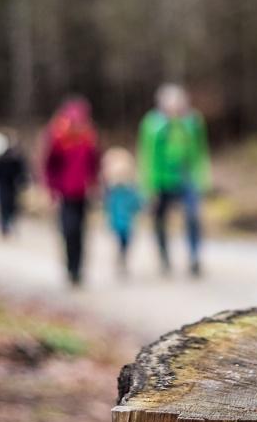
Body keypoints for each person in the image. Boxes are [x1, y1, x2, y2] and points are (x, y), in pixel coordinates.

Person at [138, 83, 211, 277]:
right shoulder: (152, 123)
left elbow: (200, 151)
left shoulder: (192, 121)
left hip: (186, 176)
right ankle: (164, 258)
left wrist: (202, 178)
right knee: (160, 219)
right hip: (161, 179)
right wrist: (149, 185)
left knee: (193, 216)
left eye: (179, 102)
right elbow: (147, 155)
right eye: (171, 103)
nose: (175, 107)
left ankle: (194, 257)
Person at [43, 98, 100, 287]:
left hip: (83, 192)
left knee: (81, 231)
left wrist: (95, 183)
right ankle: (70, 266)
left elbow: (94, 163)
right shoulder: (58, 138)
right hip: (64, 192)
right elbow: (50, 166)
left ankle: (78, 268)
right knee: (69, 229)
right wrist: (52, 189)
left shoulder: (88, 138)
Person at [103, 147, 143, 278]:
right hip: (118, 223)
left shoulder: (130, 190)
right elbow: (108, 207)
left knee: (126, 243)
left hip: (128, 223)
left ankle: (122, 260)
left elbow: (137, 203)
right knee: (120, 243)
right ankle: (121, 260)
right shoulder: (113, 192)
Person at [0, 131, 27, 237]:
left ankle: (9, 225)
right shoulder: (1, 157)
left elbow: (22, 171)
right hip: (3, 185)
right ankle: (4, 226)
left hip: (13, 186)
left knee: (12, 206)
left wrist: (22, 181)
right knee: (3, 206)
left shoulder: (17, 157)